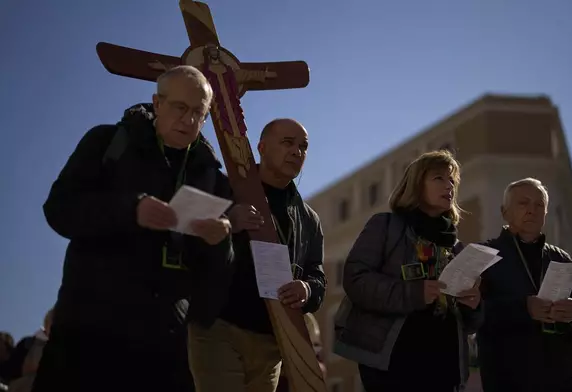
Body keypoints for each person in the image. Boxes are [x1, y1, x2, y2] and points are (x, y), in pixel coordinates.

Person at [33, 65, 234, 392]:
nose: (189, 120)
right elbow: (59, 209)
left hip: (165, 347)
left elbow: (216, 280)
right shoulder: (106, 142)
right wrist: (130, 209)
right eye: (180, 108)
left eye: (199, 112)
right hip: (88, 334)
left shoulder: (213, 179)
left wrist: (219, 243)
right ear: (157, 103)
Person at [187, 118, 326, 392]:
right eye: (288, 142)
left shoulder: (309, 219)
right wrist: (228, 220)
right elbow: (186, 237)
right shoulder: (224, 188)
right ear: (261, 147)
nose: (297, 151)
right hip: (218, 327)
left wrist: (307, 289)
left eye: (303, 147)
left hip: (270, 342)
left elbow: (317, 277)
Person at [334, 150, 483, 392]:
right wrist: (414, 293)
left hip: (444, 369)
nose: (449, 186)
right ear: (416, 185)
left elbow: (468, 325)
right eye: (439, 179)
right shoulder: (385, 225)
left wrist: (473, 305)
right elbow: (356, 279)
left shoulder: (456, 247)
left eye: (452, 181)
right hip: (393, 363)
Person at [477, 178, 572, 392]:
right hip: (508, 382)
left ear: (545, 213)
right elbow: (472, 315)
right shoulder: (483, 255)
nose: (532, 210)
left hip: (563, 384)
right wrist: (524, 309)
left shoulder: (561, 259)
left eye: (539, 205)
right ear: (505, 212)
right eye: (523, 203)